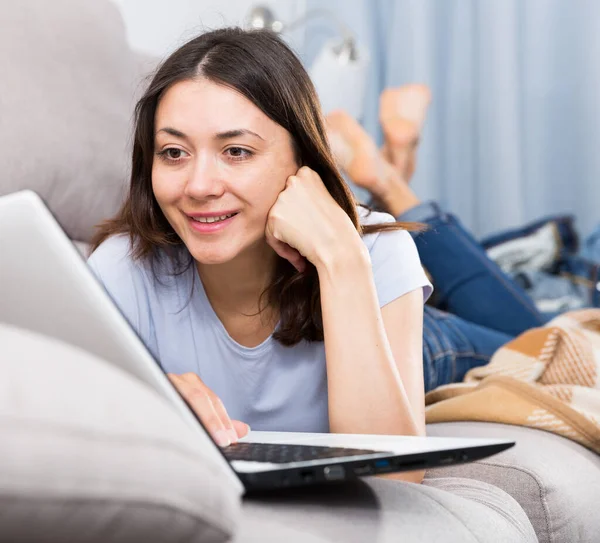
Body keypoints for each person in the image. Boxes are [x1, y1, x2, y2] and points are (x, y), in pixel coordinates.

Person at [86, 27, 433, 484]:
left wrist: (341, 261)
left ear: (301, 160)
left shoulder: (377, 252)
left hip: (418, 336)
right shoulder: (120, 270)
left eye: (236, 151)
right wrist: (144, 404)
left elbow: (393, 482)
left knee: (515, 326)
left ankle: (391, 175)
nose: (199, 186)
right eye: (173, 152)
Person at [325, 88, 600, 392]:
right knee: (542, 351)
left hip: (541, 285)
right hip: (557, 296)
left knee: (535, 346)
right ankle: (389, 184)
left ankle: (392, 183)